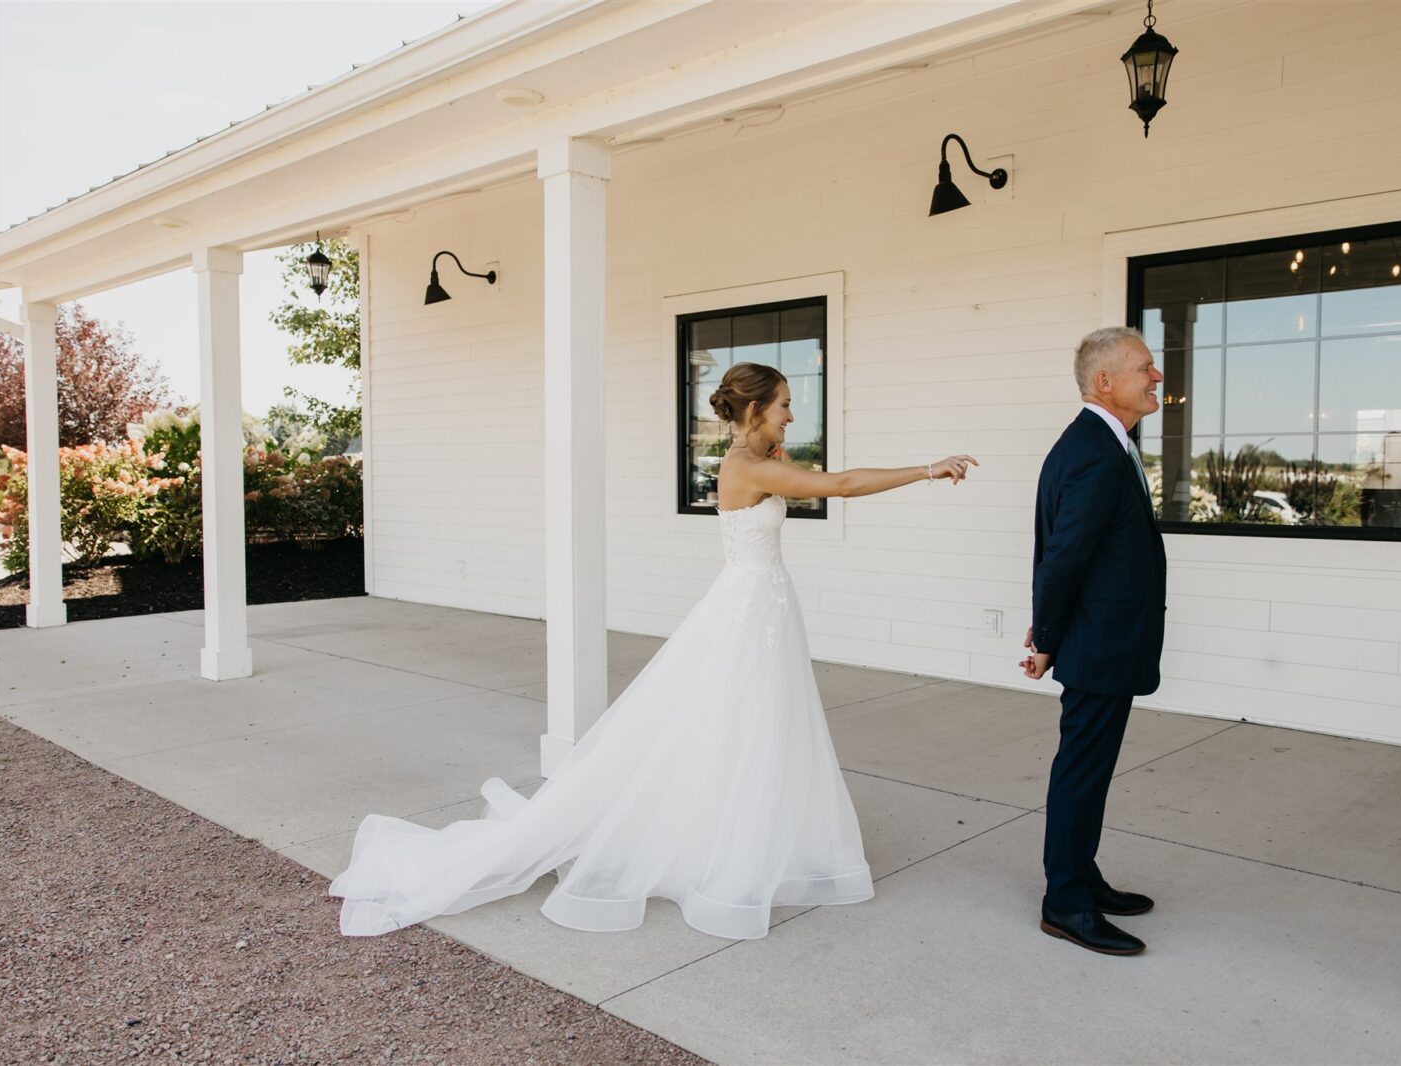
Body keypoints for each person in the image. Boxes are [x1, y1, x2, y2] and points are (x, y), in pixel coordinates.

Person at [331, 361, 977, 940]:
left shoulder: (753, 456)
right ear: (756, 410)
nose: (791, 413)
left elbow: (810, 478)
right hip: (751, 610)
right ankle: (727, 856)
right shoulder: (750, 466)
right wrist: (925, 469)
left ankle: (749, 843)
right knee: (741, 728)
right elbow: (836, 485)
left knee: (752, 730)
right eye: (783, 404)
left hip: (759, 605)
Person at [1021, 325, 1167, 956]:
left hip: (1103, 639)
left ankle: (1082, 876)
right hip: (1096, 643)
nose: (1157, 377)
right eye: (1145, 368)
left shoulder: (1103, 444)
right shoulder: (1093, 451)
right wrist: (1045, 637)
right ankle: (1067, 903)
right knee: (1081, 773)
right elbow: (1063, 557)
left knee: (1091, 770)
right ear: (1106, 382)